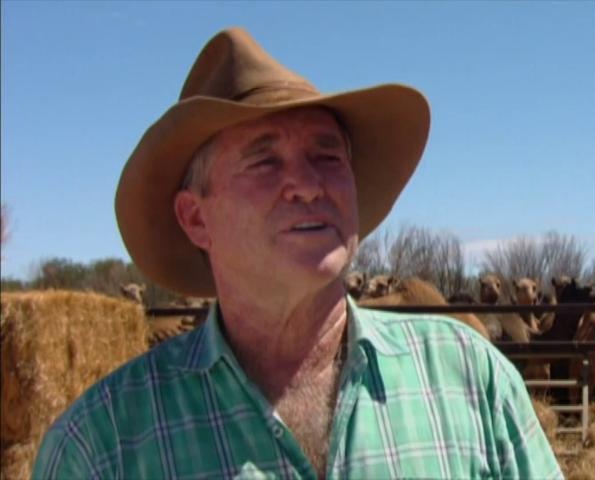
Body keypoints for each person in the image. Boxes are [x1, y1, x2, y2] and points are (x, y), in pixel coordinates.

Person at [32, 27, 562, 479]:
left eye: (327, 156)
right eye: (264, 162)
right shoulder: (102, 448)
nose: (308, 185)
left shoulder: (472, 381)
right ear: (196, 219)